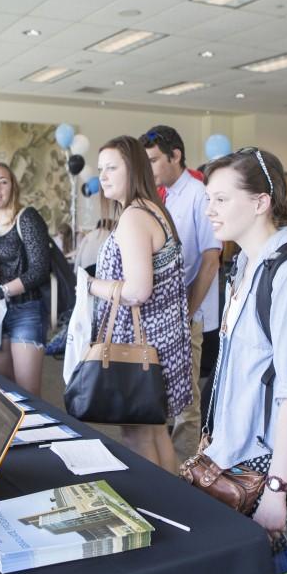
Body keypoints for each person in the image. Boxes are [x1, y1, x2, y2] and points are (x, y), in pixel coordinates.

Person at [203, 148, 287, 574]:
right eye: (208, 199)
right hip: (239, 457)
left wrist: (277, 489)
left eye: (221, 199)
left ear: (261, 202)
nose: (210, 210)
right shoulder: (243, 264)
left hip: (277, 468)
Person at [86, 135, 192, 472]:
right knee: (155, 431)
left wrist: (91, 285)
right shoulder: (152, 209)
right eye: (101, 168)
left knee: (138, 437)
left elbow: (137, 291)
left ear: (134, 169)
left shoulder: (134, 216)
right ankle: (176, 508)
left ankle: (158, 509)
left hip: (141, 347)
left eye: (112, 168)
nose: (103, 176)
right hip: (158, 343)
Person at [142, 125, 221, 463]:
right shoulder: (167, 195)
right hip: (165, 312)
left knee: (186, 402)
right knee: (161, 394)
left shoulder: (199, 194)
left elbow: (211, 259)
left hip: (190, 314)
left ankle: (184, 474)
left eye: (155, 160)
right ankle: (164, 465)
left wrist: (187, 312)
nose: (150, 168)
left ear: (175, 156)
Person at [0, 162, 50, 396]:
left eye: (3, 181)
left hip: (26, 310)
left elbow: (39, 270)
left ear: (13, 186)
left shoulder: (26, 218)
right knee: (4, 390)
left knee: (28, 393)